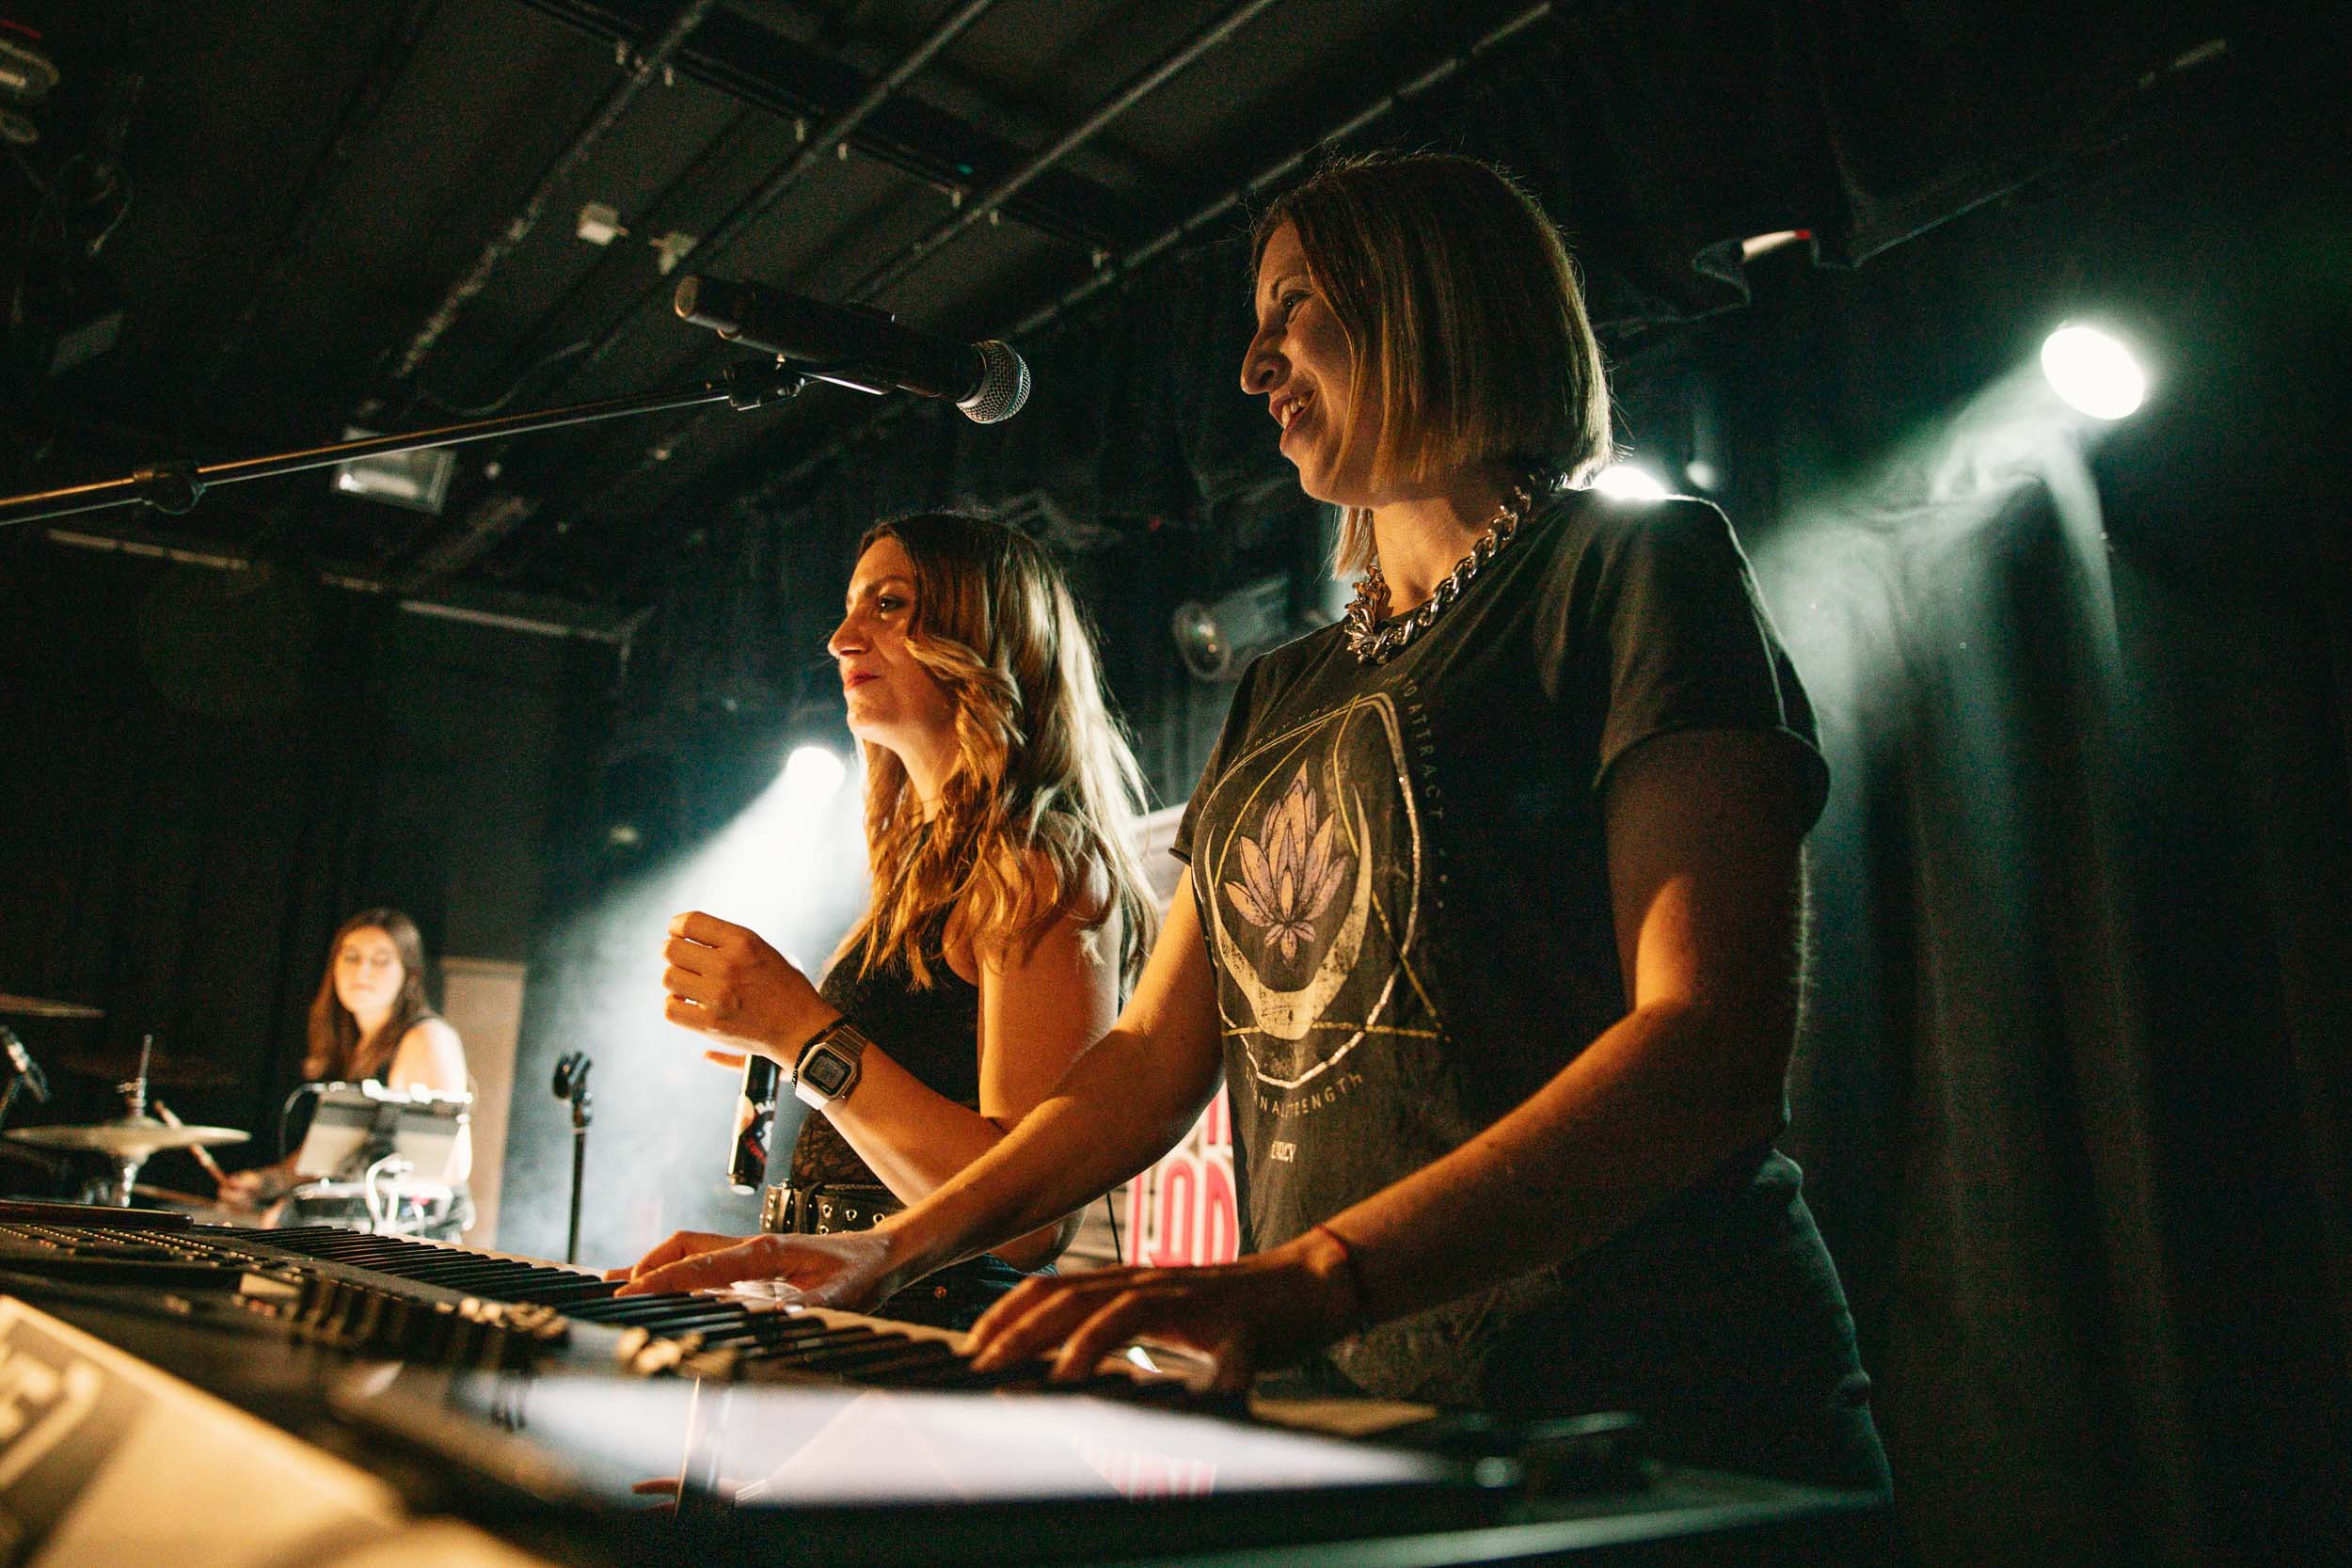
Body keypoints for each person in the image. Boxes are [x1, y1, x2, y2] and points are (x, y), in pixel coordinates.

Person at [617, 152, 1888, 1491]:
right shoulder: (1281, 690)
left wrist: (1315, 1273)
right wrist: (890, 1248)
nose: (1251, 362)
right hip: (1349, 1410)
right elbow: (1145, 1058)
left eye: (1294, 307)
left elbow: (1709, 1043)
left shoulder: (1636, 568)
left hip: (1655, 1401)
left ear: (1430, 301)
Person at [629, 513, 1159, 1329]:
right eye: (850, 607)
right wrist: (773, 1250)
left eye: (889, 604)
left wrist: (802, 1033)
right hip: (861, 1321)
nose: (842, 638)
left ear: (984, 635)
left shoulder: (1040, 862)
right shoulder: (920, 866)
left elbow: (1029, 1221)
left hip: (935, 1345)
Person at [219, 908, 470, 1226]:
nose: (362, 971)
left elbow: (450, 1166)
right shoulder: (357, 1043)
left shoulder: (427, 1038)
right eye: (351, 957)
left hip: (410, 1231)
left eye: (381, 960)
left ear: (410, 974)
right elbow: (337, 1155)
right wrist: (266, 1182)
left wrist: (304, 1206)